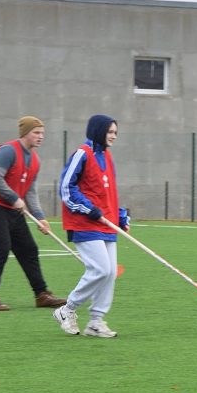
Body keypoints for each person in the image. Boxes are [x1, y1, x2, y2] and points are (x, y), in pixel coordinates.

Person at [0, 116, 67, 311]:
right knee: (1, 248)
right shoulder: (8, 151)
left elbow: (30, 191)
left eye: (42, 133)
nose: (41, 137)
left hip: (12, 208)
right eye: (36, 133)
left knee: (29, 249)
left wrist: (40, 217)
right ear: (25, 133)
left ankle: (41, 295)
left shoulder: (35, 160)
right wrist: (14, 198)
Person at [54, 115, 128, 338]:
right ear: (98, 130)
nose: (114, 136)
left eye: (115, 132)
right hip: (84, 223)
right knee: (101, 269)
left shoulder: (107, 156)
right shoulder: (82, 154)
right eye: (110, 132)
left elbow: (109, 192)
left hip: (107, 223)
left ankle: (96, 321)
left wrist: (121, 216)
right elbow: (66, 188)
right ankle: (67, 309)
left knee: (110, 273)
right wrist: (88, 209)